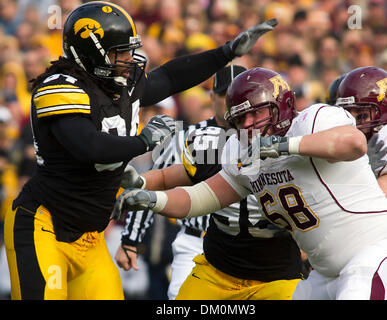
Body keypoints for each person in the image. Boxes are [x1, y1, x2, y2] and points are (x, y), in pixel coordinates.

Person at [3, 1, 278, 300]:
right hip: (45, 228)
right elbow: (88, 146)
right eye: (117, 52)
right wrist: (143, 141)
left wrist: (226, 53)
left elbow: (171, 78)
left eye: (127, 49)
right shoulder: (58, 86)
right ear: (89, 53)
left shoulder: (120, 84)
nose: (127, 58)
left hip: (91, 238)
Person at [113, 67, 387, 300]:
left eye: (256, 112)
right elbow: (202, 197)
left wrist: (285, 146)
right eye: (240, 119)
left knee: (359, 285)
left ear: (283, 106)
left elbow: (353, 142)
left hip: (380, 250)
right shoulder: (241, 151)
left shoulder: (314, 119)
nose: (248, 125)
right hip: (327, 273)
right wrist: (154, 201)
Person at [115, 65, 304, 300]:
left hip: (275, 264)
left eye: (256, 110)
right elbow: (168, 182)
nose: (247, 121)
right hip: (210, 253)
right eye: (236, 107)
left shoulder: (303, 141)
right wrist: (133, 227)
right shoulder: (208, 143)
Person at [335, 66, 387, 222]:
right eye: (347, 114)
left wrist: (361, 166)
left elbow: (368, 214)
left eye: (362, 115)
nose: (353, 123)